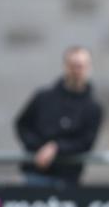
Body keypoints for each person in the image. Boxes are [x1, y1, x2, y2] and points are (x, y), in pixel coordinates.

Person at [14, 46, 104, 188]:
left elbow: (86, 142)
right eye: (73, 65)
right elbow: (22, 125)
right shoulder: (43, 98)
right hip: (36, 173)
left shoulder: (93, 107)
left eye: (81, 66)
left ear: (89, 68)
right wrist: (39, 148)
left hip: (68, 177)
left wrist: (56, 148)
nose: (77, 71)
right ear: (65, 66)